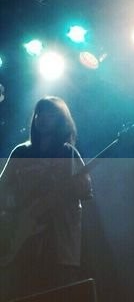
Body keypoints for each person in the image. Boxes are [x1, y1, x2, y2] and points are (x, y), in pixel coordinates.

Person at [0, 96, 92, 300]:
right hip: (22, 245)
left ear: (61, 119)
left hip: (60, 246)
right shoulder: (21, 153)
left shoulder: (68, 153)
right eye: (39, 113)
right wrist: (10, 219)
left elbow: (86, 191)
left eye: (50, 113)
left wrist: (75, 187)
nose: (42, 117)